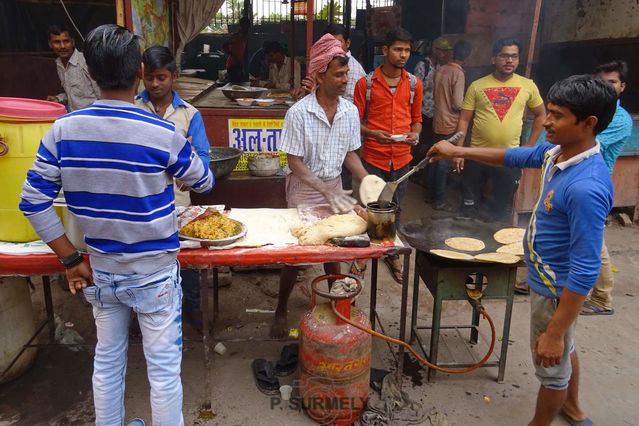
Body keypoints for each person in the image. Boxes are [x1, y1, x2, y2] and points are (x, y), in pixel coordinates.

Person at [19, 24, 213, 425]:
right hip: (155, 274)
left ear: (90, 72)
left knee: (107, 362)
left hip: (101, 269)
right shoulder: (163, 132)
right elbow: (204, 181)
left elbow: (32, 202)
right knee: (162, 372)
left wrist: (71, 259)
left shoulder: (63, 130)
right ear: (139, 72)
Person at [428, 75, 616, 426]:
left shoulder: (586, 187)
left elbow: (587, 269)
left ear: (588, 123)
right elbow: (515, 156)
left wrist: (555, 331)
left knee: (552, 364)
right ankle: (573, 410)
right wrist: (458, 150)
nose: (546, 120)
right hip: (547, 281)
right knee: (565, 351)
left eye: (557, 115)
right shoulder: (558, 153)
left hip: (557, 291)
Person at [270, 34, 369, 339]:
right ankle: (281, 309)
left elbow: (350, 154)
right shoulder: (299, 113)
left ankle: (337, 304)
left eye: (346, 74)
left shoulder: (350, 111)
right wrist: (325, 191)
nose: (344, 80)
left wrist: (367, 179)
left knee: (332, 248)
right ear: (319, 75)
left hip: (335, 185)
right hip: (304, 188)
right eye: (338, 74)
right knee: (297, 252)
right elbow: (295, 162)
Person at [135, 45, 211, 331]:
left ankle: (191, 309)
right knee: (144, 261)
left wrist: (190, 171)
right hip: (141, 202)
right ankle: (139, 315)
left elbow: (203, 157)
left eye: (162, 77)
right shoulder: (133, 107)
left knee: (186, 260)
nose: (155, 84)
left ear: (174, 76)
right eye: (150, 77)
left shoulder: (190, 115)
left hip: (179, 201)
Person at [351, 28, 423, 284]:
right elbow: (355, 122)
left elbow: (416, 120)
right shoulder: (366, 84)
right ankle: (362, 256)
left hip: (402, 158)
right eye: (398, 49)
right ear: (385, 50)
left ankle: (390, 252)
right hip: (373, 155)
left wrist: (415, 134)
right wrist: (372, 133)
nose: (403, 55)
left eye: (406, 50)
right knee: (370, 207)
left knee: (396, 208)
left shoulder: (414, 84)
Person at [451, 37, 545, 222]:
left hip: (509, 158)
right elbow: (464, 119)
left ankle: (496, 246)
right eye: (504, 56)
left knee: (502, 210)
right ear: (494, 58)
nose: (509, 61)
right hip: (476, 155)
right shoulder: (477, 86)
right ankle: (467, 244)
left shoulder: (528, 86)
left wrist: (529, 147)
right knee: (468, 208)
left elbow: (541, 115)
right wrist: (458, 152)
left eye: (514, 56)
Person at [580, 60, 633, 316]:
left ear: (622, 86)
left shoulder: (619, 119)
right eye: (601, 81)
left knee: (594, 241)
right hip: (579, 181)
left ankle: (602, 298)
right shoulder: (596, 111)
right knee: (572, 236)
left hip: (595, 184)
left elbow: (587, 143)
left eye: (611, 82)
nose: (606, 86)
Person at [429, 40, 473, 211]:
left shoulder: (441, 69)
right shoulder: (458, 73)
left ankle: (430, 194)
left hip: (438, 120)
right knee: (443, 162)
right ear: (467, 57)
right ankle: (439, 200)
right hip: (450, 123)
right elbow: (457, 103)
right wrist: (470, 106)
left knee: (433, 157)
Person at [323, 24, 367, 192]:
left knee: (343, 176)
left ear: (347, 43)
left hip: (343, 130)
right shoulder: (324, 65)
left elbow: (358, 106)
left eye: (337, 43)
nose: (345, 79)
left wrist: (366, 178)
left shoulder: (355, 69)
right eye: (329, 44)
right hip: (326, 128)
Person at [412, 37, 453, 182]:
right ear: (435, 50)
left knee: (429, 144)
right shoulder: (423, 65)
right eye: (443, 51)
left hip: (435, 112)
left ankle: (422, 173)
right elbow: (415, 89)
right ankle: (414, 172)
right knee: (419, 143)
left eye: (447, 52)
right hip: (423, 112)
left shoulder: (442, 67)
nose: (445, 54)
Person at [46, 24, 100, 111]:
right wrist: (58, 99)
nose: (62, 46)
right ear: (50, 44)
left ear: (73, 42)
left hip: (92, 118)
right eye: (57, 42)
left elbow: (103, 96)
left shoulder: (86, 62)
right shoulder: (58, 64)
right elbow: (73, 95)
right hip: (74, 118)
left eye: (66, 41)